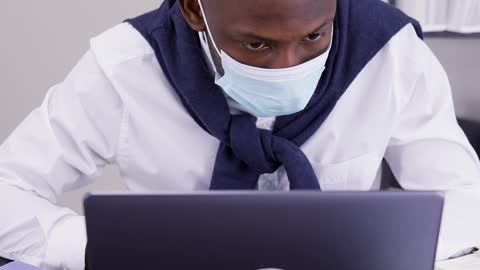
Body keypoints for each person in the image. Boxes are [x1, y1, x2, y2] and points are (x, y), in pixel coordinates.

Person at [1, 0, 479, 269]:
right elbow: (8, 191)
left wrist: (388, 256)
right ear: (194, 10)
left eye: (314, 36)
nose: (289, 64)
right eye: (256, 44)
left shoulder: (390, 53)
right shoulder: (124, 67)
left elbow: (465, 197)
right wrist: (100, 250)